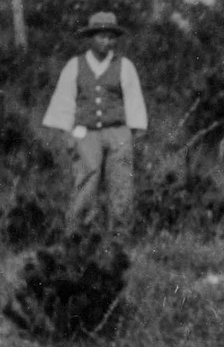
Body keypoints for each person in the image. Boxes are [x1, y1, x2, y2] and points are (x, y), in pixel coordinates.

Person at [42, 12, 148, 240]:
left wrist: (136, 129)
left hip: (117, 131)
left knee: (121, 182)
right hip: (86, 132)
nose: (106, 42)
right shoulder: (75, 65)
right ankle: (78, 235)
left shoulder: (124, 65)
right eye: (101, 37)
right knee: (87, 178)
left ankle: (121, 235)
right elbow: (65, 99)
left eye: (111, 37)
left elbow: (133, 98)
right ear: (91, 38)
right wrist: (67, 133)